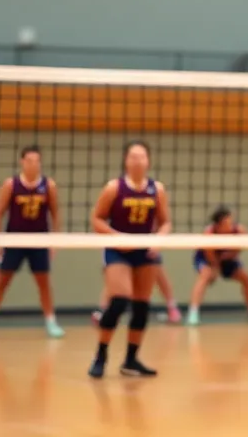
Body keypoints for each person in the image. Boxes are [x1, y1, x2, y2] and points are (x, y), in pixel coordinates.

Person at [89, 140, 172, 379]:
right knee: (118, 300)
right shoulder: (114, 188)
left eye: (142, 156)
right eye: (133, 156)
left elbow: (165, 221)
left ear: (148, 161)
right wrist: (117, 237)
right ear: (126, 161)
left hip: (144, 251)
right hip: (118, 250)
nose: (137, 161)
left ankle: (131, 360)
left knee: (141, 306)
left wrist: (159, 240)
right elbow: (97, 219)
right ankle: (101, 355)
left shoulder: (157, 189)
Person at [0, 146, 64, 339]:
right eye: (29, 160)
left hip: (39, 241)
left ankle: (51, 322)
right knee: (2, 281)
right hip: (14, 240)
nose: (33, 164)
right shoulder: (11, 185)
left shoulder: (48, 185)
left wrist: (55, 240)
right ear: (22, 162)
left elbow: (55, 213)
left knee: (44, 283)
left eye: (37, 160)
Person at [186, 205, 248, 326]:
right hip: (206, 258)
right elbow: (210, 256)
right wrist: (216, 270)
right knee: (205, 276)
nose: (230, 224)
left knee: (246, 277)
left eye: (231, 220)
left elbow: (239, 248)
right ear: (219, 224)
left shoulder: (239, 231)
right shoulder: (209, 233)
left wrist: (229, 256)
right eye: (227, 222)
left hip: (228, 257)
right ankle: (193, 314)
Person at [93, 267, 181, 326]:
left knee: (156, 269)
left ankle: (172, 307)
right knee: (116, 272)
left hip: (144, 243)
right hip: (122, 245)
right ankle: (104, 309)